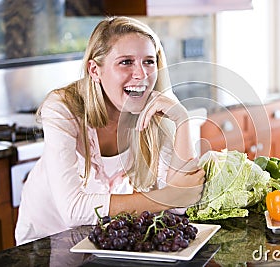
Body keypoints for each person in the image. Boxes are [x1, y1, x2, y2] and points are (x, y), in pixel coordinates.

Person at [15, 16, 205, 245]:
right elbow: (73, 210)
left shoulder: (156, 110)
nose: (141, 74)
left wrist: (182, 120)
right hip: (45, 239)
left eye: (149, 61)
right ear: (94, 69)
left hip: (101, 237)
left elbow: (184, 202)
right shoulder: (62, 107)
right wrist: (166, 198)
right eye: (126, 62)